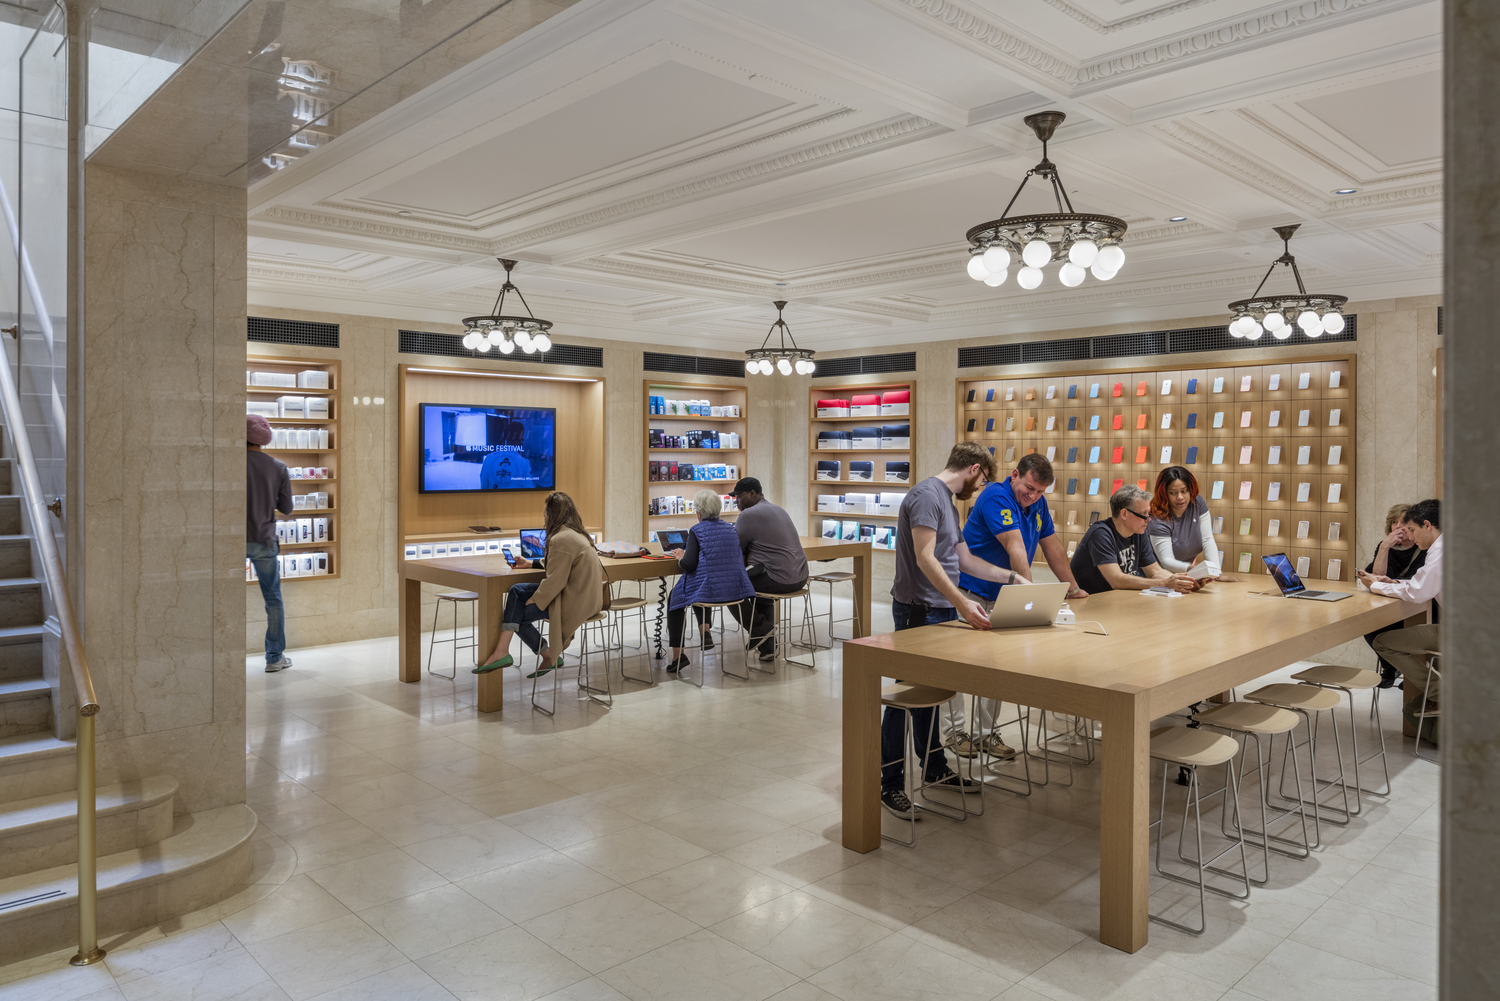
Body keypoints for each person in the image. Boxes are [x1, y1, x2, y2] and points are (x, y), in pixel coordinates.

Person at [881, 441, 1016, 820]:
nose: (982, 488)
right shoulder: (927, 496)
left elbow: (965, 559)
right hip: (918, 610)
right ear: (973, 468)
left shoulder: (947, 502)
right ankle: (889, 783)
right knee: (905, 698)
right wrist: (961, 603)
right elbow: (926, 559)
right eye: (984, 479)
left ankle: (934, 766)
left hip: (937, 608)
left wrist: (1011, 576)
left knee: (933, 692)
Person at [950, 453, 1087, 759]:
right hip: (972, 590)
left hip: (1003, 594)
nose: (1032, 496)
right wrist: (1030, 596)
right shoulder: (995, 496)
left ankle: (986, 734)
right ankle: (954, 732)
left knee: (997, 665)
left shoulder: (1037, 503)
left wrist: (1074, 588)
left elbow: (1052, 547)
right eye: (1028, 487)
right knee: (959, 665)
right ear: (1014, 475)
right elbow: (1015, 547)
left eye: (1040, 491)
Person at [475, 491, 604, 679]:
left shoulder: (561, 539)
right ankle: (520, 653)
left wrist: (534, 600)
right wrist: (530, 563)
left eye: (545, 513)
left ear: (552, 515)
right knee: (517, 591)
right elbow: (560, 565)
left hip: (575, 602)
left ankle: (509, 653)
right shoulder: (575, 534)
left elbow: (555, 581)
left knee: (516, 615)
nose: (544, 518)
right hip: (585, 597)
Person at [1361, 499, 1442, 740]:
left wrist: (1377, 586)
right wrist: (1394, 583)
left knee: (1383, 642)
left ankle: (1440, 692)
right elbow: (1421, 586)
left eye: (1413, 530)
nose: (1411, 537)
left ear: (1427, 525)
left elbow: (1418, 593)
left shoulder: (1437, 552)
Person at [663, 490, 755, 674]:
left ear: (699, 512)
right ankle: (705, 631)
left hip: (711, 591)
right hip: (734, 591)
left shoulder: (696, 530)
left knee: (676, 596)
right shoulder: (731, 528)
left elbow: (689, 565)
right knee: (699, 586)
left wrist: (681, 556)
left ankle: (678, 656)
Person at [1069, 485, 1200, 594]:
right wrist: (1165, 584)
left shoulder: (1138, 531)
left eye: (1148, 514)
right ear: (1124, 514)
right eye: (1143, 514)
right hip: (1090, 602)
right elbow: (1116, 580)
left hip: (1117, 599)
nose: (1148, 519)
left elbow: (1155, 571)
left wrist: (1186, 581)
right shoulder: (1100, 534)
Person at [731, 478, 808, 662]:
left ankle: (761, 630)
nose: (737, 502)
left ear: (752, 493)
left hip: (777, 580)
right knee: (759, 591)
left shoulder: (748, 514)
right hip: (801, 577)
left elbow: (736, 548)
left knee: (728, 588)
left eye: (739, 497)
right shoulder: (778, 509)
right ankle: (768, 649)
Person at [1362, 503, 1432, 688]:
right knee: (1369, 626)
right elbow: (1376, 577)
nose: (1398, 527)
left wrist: (1388, 583)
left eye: (1404, 523)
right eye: (1394, 522)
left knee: (1403, 631)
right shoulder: (1386, 546)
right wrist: (1385, 547)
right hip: (1390, 604)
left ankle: (1411, 674)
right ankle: (1390, 668)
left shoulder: (1426, 548)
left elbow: (1417, 585)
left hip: (1415, 607)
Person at [247, 415, 295, 672]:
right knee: (273, 599)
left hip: (229, 539)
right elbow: (287, 508)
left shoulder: (225, 464)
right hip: (264, 540)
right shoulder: (278, 466)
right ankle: (274, 658)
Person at [1148, 466, 1228, 576]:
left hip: (1185, 575)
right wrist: (1197, 570)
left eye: (1184, 491)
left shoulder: (1197, 502)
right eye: (1172, 493)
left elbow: (1207, 539)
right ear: (1164, 494)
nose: (1180, 497)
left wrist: (1216, 572)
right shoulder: (1157, 519)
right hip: (1157, 578)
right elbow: (1166, 561)